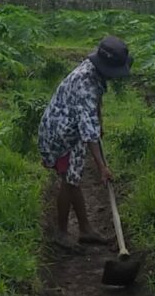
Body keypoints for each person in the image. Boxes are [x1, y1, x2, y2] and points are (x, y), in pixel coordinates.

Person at [38, 36, 134, 249]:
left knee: (72, 179)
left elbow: (96, 105)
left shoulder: (93, 70)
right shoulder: (85, 85)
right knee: (69, 180)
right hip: (62, 134)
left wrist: (99, 119)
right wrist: (102, 167)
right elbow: (89, 132)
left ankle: (85, 230)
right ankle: (61, 233)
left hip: (68, 125)